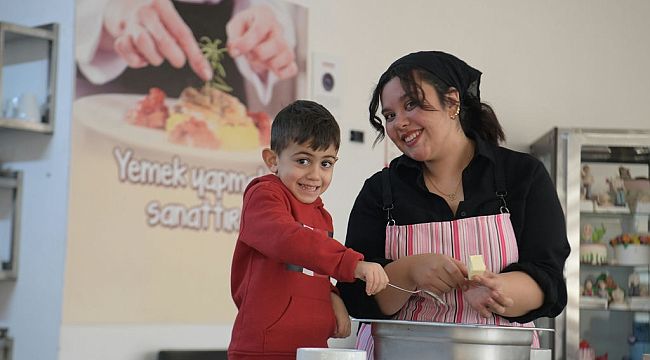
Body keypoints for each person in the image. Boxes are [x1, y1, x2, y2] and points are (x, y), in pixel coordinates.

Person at [337, 51, 570, 357]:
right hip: (401, 351)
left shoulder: (522, 176)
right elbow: (356, 294)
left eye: (411, 104)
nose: (399, 123)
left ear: (452, 101)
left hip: (497, 352)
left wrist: (501, 291)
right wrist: (408, 271)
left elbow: (548, 279)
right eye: (390, 115)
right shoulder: (380, 191)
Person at [228, 100, 389, 359]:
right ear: (272, 160)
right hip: (264, 349)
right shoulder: (263, 196)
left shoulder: (322, 216)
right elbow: (290, 241)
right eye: (303, 160)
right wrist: (352, 263)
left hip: (313, 348)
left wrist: (333, 296)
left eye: (326, 163)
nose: (315, 175)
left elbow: (314, 266)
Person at [75, 0, 298, 103]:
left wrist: (265, 38)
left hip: (224, 127)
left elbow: (273, 8)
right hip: (112, 98)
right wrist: (114, 10)